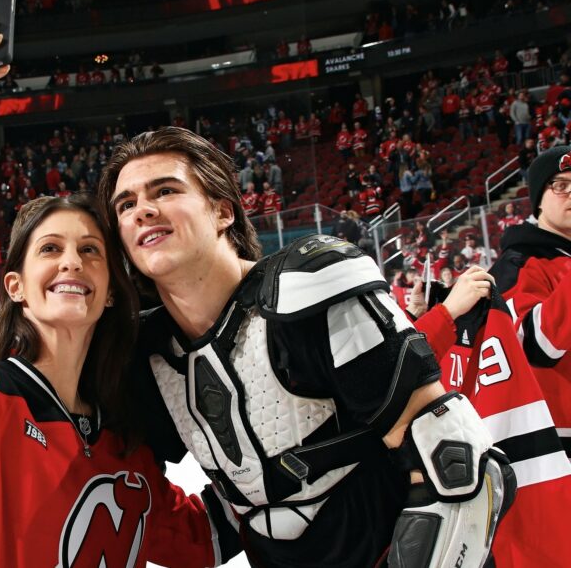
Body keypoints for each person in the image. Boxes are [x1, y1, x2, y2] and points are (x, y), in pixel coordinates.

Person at [0, 19, 230, 568]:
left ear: (110, 291)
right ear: (14, 287)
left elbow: (200, 541)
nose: (71, 261)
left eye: (91, 251)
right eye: (49, 249)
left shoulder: (124, 449)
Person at [99, 126, 515, 567]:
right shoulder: (145, 355)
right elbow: (239, 493)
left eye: (164, 190)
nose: (143, 210)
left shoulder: (311, 288)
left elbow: (454, 460)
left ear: (222, 211)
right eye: (126, 204)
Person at [490, 145, 571, 457]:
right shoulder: (518, 263)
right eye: (560, 185)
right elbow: (537, 346)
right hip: (556, 442)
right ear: (538, 200)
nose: (570, 193)